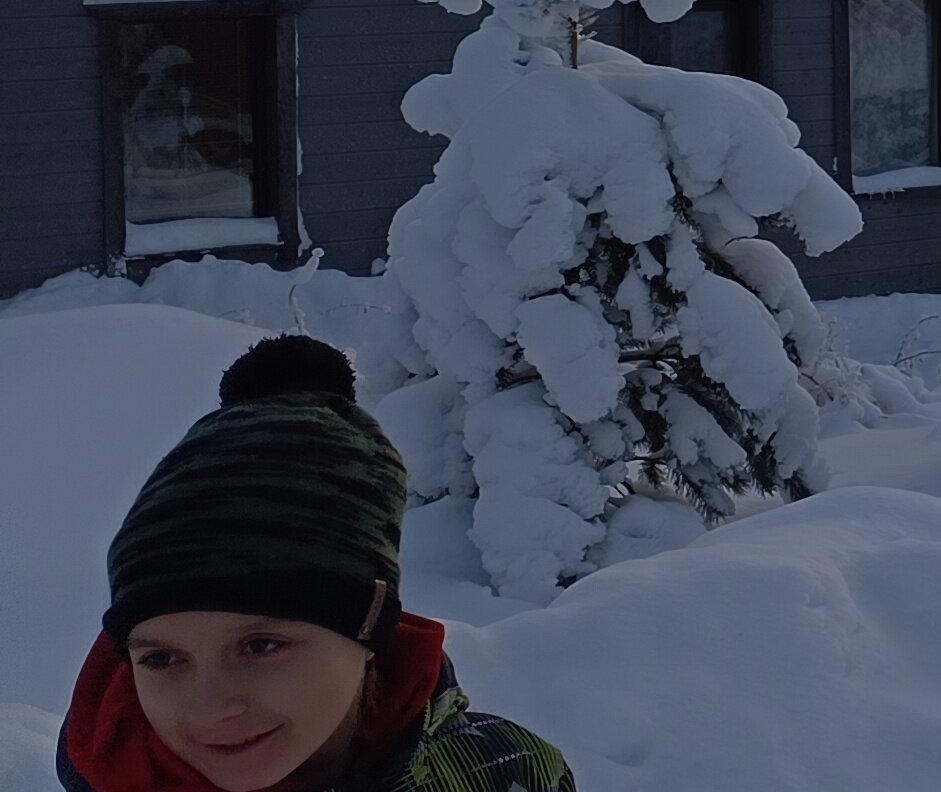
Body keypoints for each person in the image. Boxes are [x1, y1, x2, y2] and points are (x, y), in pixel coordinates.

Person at [60, 334, 574, 792]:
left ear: (369, 628)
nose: (209, 709)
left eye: (261, 645)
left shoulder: (505, 771)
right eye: (161, 659)